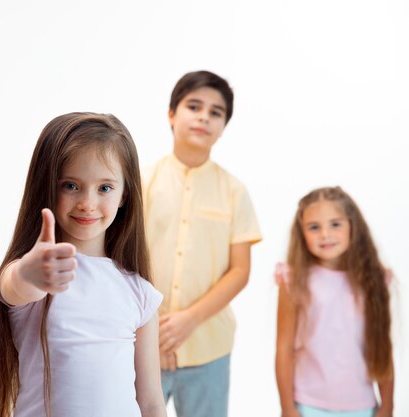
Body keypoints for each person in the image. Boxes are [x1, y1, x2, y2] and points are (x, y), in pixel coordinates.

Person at [0, 112, 166, 417]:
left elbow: (150, 402)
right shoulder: (34, 275)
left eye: (105, 188)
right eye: (71, 185)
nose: (87, 203)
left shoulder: (140, 293)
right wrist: (29, 273)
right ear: (47, 186)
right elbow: (14, 286)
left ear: (125, 194)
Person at [143, 70, 262, 417]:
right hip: (141, 343)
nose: (203, 117)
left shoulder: (235, 191)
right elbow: (121, 258)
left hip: (209, 346)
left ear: (224, 126)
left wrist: (188, 321)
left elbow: (240, 271)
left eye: (216, 112)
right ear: (171, 113)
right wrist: (153, 328)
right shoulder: (140, 180)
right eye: (193, 106)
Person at [275, 186, 394, 417]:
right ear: (302, 233)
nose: (325, 235)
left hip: (361, 405)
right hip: (308, 404)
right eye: (314, 227)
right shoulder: (293, 280)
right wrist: (287, 407)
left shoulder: (374, 281)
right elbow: (283, 348)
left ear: (353, 226)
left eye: (335, 224)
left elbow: (382, 347)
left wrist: (388, 405)